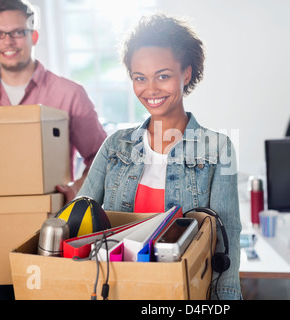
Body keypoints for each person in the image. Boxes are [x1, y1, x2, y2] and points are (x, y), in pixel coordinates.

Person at [77, 14, 242, 300]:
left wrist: (225, 298)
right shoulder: (116, 146)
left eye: (163, 76)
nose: (150, 89)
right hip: (117, 290)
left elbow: (226, 241)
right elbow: (79, 219)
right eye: (140, 78)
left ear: (186, 74)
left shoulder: (217, 148)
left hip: (186, 294)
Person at [0, 0, 107, 203]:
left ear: (33, 36)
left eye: (18, 32)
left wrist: (77, 187)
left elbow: (103, 158)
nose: (8, 42)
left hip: (52, 217)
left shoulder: (69, 93)